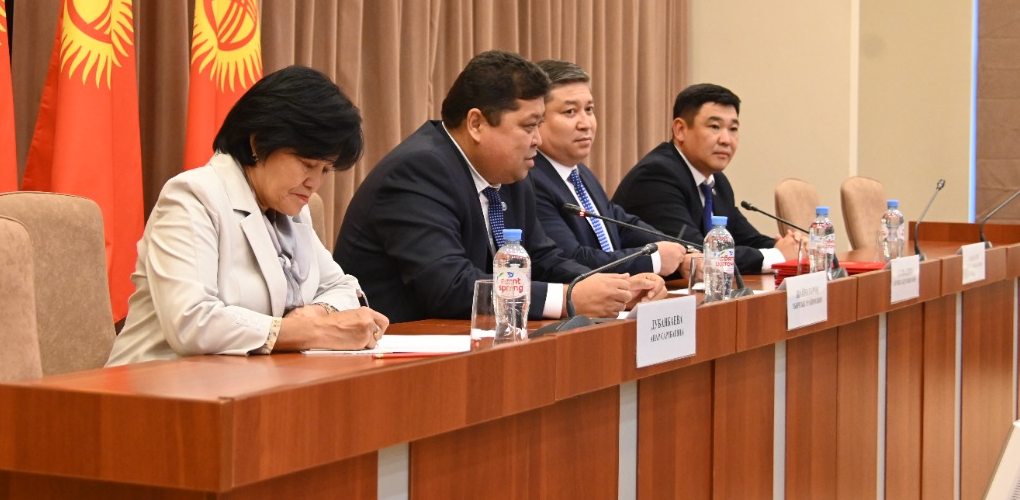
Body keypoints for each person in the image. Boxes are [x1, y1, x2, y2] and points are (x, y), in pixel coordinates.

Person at [334, 50, 663, 324]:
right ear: (476, 123)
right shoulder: (419, 171)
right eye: (529, 127)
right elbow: (450, 286)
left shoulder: (508, 172)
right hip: (401, 353)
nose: (537, 140)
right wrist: (568, 298)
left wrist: (610, 287)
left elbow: (542, 257)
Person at [108, 66, 388, 365]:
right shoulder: (193, 196)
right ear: (258, 142)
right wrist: (313, 331)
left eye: (325, 170)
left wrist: (316, 314)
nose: (315, 183)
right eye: (307, 164)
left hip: (248, 379)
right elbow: (192, 322)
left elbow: (342, 287)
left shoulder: (291, 210)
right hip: (156, 381)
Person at [612, 83, 801, 275]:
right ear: (680, 130)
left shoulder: (717, 181)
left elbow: (746, 238)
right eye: (715, 127)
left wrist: (792, 247)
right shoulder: (656, 176)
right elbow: (697, 252)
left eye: (733, 129)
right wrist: (777, 255)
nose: (726, 140)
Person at [531, 60, 688, 285]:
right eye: (570, 111)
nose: (586, 123)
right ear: (537, 119)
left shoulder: (580, 174)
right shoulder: (531, 180)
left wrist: (682, 253)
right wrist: (654, 260)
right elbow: (570, 259)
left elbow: (621, 225)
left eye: (589, 110)